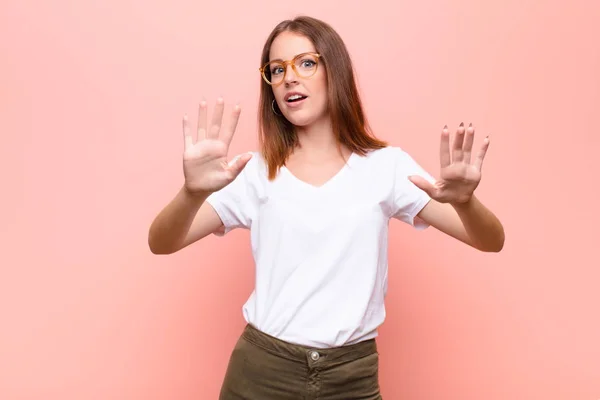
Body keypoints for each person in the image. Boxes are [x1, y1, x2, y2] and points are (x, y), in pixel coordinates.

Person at [148, 15, 505, 400]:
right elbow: (162, 242)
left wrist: (466, 204)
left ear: (334, 71)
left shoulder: (386, 166)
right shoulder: (252, 172)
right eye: (276, 69)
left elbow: (489, 241)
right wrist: (190, 193)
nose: (289, 78)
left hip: (351, 377)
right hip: (262, 374)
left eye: (305, 63)